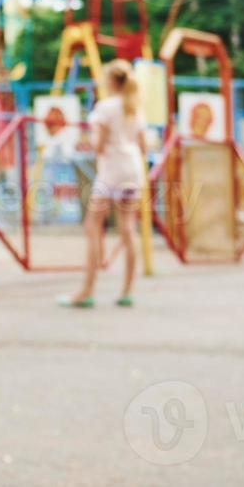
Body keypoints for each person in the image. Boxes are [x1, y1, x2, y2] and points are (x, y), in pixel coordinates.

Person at [61, 60, 147, 309]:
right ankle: (127, 291)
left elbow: (98, 145)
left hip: (111, 171)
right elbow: (142, 146)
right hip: (132, 169)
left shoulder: (105, 107)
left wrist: (90, 143)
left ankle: (87, 290)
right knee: (128, 230)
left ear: (111, 82)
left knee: (92, 226)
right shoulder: (134, 108)